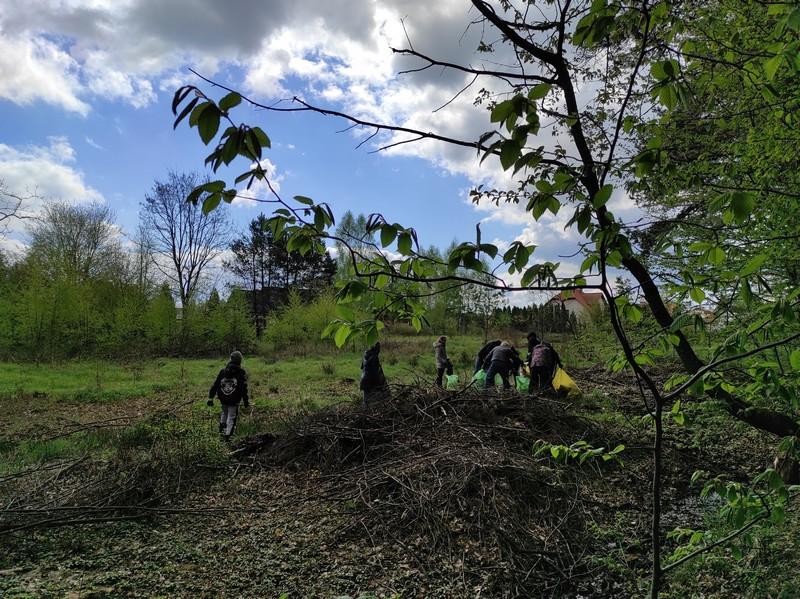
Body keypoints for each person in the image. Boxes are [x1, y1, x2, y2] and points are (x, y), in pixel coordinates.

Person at [208, 350, 249, 441]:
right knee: (231, 416)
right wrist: (246, 400)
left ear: (231, 359)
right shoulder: (241, 372)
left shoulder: (223, 371)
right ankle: (227, 437)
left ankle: (221, 434)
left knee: (224, 413)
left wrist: (211, 397)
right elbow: (243, 388)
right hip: (234, 399)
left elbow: (216, 384)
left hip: (223, 398)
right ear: (239, 360)